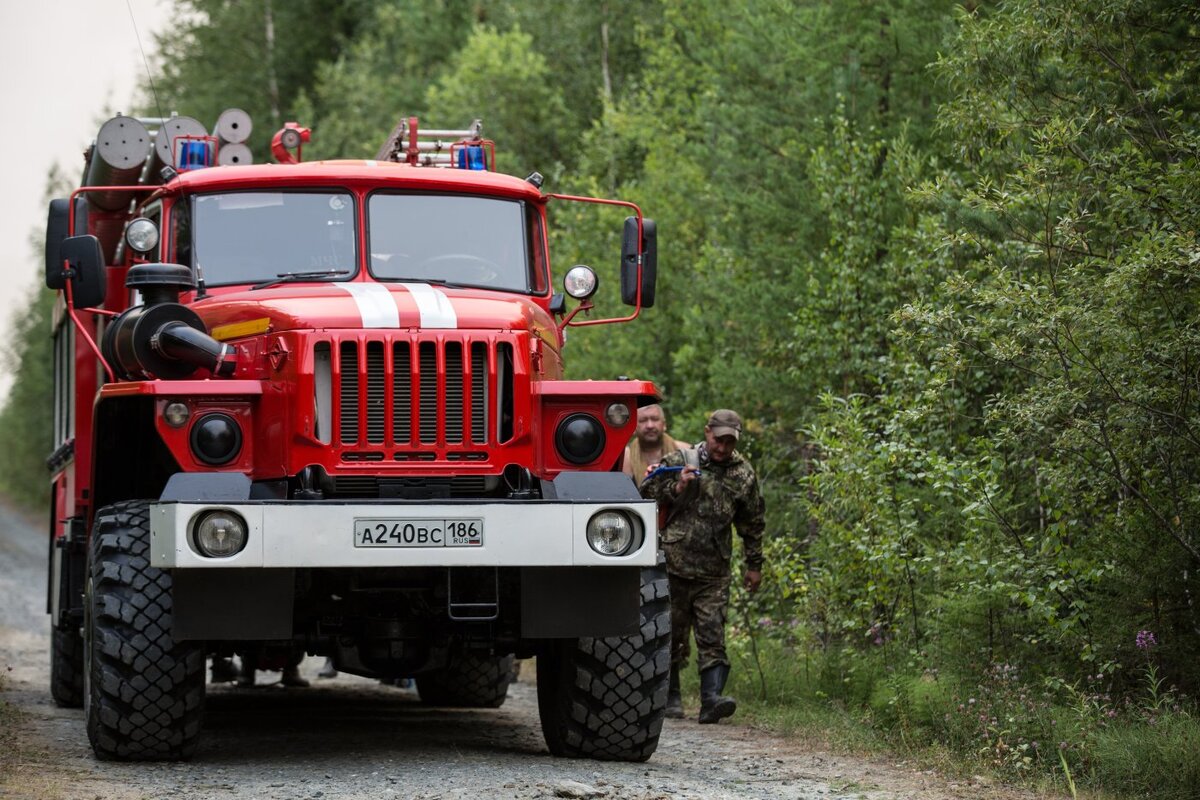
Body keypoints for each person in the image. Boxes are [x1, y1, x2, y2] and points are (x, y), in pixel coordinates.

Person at [639, 409, 764, 724]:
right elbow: (644, 493)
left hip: (714, 571)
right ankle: (671, 698)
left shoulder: (744, 474)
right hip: (674, 564)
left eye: (728, 442)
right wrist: (676, 487)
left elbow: (752, 523)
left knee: (713, 634)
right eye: (718, 439)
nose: (722, 447)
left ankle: (711, 699)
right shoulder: (681, 460)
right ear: (707, 432)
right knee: (673, 634)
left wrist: (754, 565)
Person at [622, 403, 692, 480]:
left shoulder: (685, 451)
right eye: (643, 420)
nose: (650, 425)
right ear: (633, 427)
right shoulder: (624, 458)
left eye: (655, 419)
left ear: (664, 424)